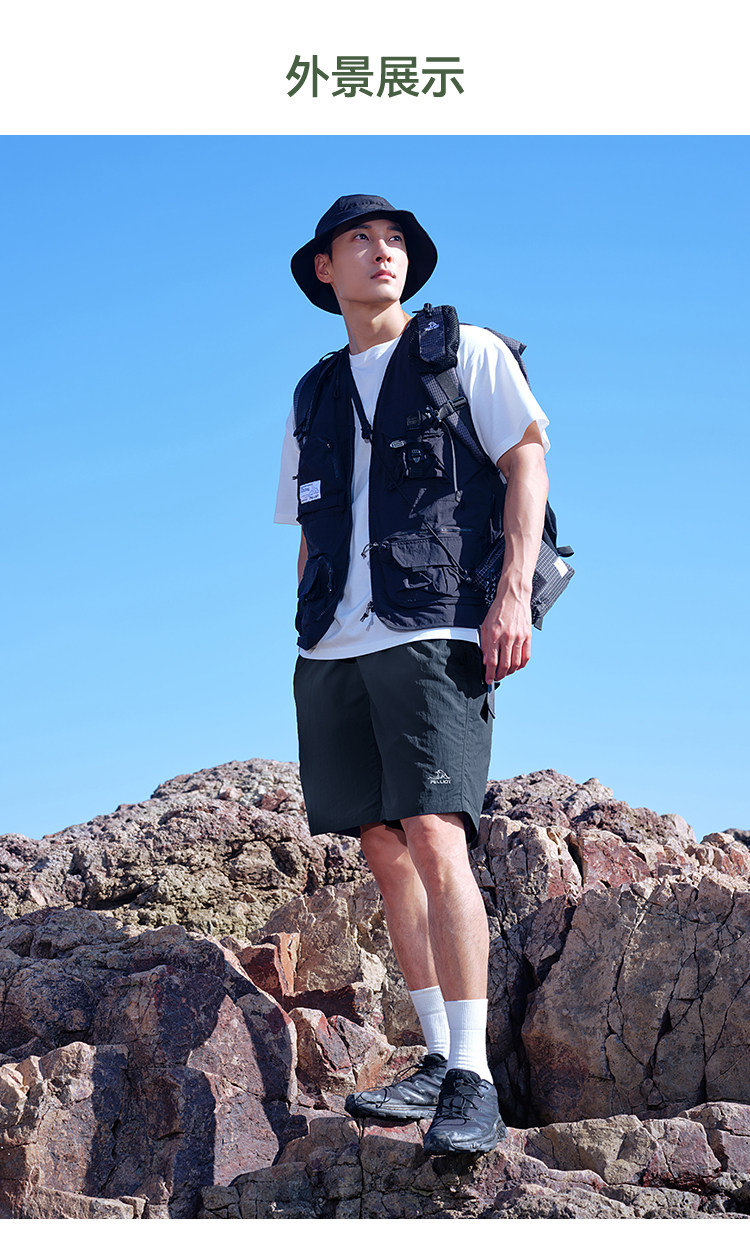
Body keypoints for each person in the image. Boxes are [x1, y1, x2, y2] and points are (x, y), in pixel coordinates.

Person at [274, 194, 550, 1154]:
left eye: (394, 240)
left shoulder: (466, 351)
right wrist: (306, 626)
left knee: (436, 829)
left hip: (435, 625)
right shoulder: (312, 393)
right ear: (325, 268)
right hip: (331, 646)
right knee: (384, 846)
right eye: (360, 239)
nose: (381, 251)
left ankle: (474, 1075)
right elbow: (309, 530)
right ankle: (436, 1055)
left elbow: (527, 462)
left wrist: (511, 596)